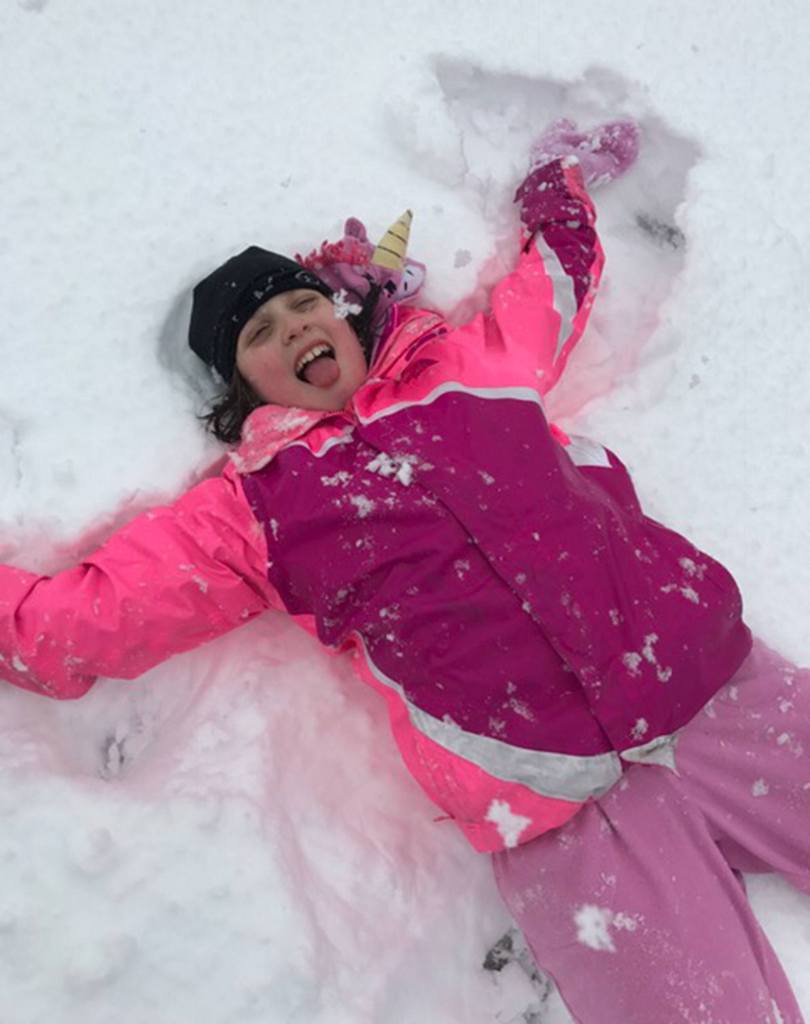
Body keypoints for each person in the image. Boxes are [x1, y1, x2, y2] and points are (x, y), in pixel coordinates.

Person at [1, 119, 808, 1023]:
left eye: (305, 303)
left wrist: (556, 188)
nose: (296, 325)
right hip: (552, 804)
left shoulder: (466, 366)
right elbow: (70, 627)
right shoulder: (252, 509)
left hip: (707, 686)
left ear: (342, 312)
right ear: (242, 385)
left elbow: (554, 284)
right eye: (261, 331)